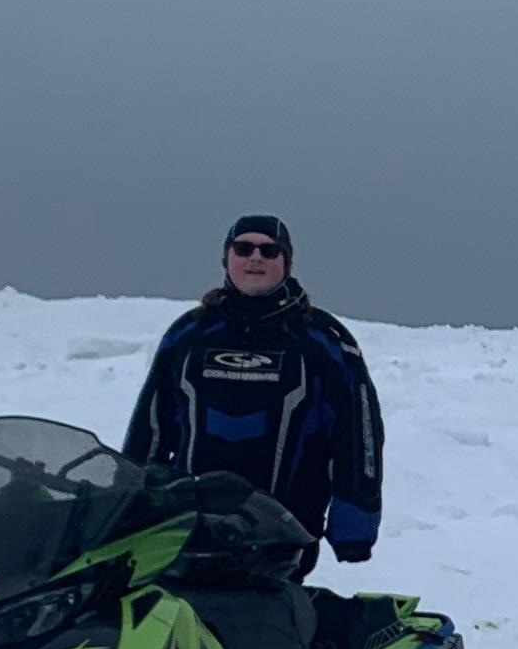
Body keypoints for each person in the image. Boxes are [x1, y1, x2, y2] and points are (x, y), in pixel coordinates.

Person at [122, 214, 387, 570]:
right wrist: (129, 506)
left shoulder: (323, 340)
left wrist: (354, 526)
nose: (255, 258)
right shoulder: (189, 334)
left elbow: (359, 436)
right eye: (243, 248)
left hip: (282, 540)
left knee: (256, 623)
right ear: (226, 258)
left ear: (286, 262)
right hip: (186, 532)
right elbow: (150, 429)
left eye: (269, 250)